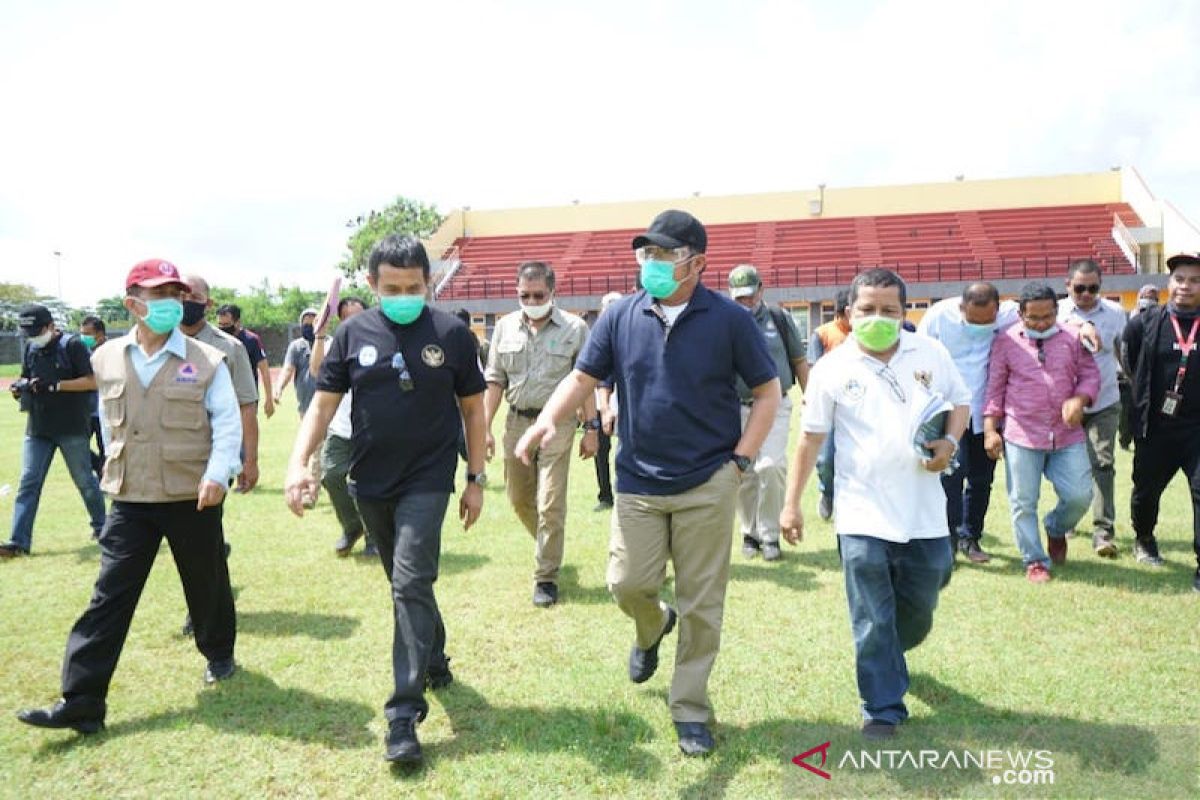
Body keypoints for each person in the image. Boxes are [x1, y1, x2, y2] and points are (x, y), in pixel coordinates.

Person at [515, 210, 781, 757]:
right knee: (628, 585)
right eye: (647, 254)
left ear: (697, 263)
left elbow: (768, 393)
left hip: (709, 480)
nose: (652, 264)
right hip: (637, 480)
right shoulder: (620, 317)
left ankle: (689, 707)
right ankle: (652, 626)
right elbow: (584, 376)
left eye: (664, 254)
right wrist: (548, 419)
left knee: (702, 603)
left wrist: (739, 462)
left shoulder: (731, 320)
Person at [15, 259, 242, 735]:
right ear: (132, 303)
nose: (171, 304)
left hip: (190, 494)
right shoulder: (106, 358)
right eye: (159, 295)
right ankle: (81, 701)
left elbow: (227, 424)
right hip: (131, 498)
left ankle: (218, 652)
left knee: (206, 584)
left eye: (176, 295)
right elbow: (105, 420)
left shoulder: (206, 360)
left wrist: (219, 474)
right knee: (108, 596)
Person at [284, 235, 486, 765]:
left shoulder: (452, 334)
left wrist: (476, 477)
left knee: (411, 580)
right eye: (391, 287)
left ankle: (403, 713)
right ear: (372, 285)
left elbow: (472, 409)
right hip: (369, 480)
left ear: (428, 283)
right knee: (405, 585)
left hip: (429, 477)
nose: (403, 295)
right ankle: (434, 656)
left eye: (414, 287)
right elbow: (322, 407)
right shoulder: (352, 334)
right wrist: (298, 463)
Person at [781, 267, 968, 740]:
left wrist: (949, 441)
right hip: (861, 511)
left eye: (888, 310)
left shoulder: (931, 352)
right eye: (867, 310)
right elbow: (809, 441)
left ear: (905, 312)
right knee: (870, 614)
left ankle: (892, 652)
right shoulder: (830, 369)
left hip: (924, 510)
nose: (877, 318)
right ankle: (881, 708)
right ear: (849, 313)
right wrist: (792, 504)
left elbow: (961, 403)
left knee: (923, 598)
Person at [483, 261, 596, 608]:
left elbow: (586, 382)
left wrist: (590, 428)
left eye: (538, 295)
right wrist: (484, 428)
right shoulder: (504, 329)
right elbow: (495, 381)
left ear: (553, 293)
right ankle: (549, 546)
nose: (531, 301)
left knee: (550, 501)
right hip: (516, 424)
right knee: (519, 499)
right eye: (524, 295)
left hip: (558, 424)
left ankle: (545, 577)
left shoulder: (575, 329)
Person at [983, 283, 1099, 583]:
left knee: (1079, 496)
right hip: (1022, 433)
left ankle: (1056, 527)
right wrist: (989, 430)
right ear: (1021, 313)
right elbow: (994, 389)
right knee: (1022, 501)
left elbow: (1090, 375)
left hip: (1067, 433)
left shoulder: (1073, 337)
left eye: (1047, 316)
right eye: (1033, 318)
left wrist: (1080, 399)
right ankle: (1034, 560)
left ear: (1056, 312)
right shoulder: (1005, 341)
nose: (1041, 323)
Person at [916, 283, 1019, 563]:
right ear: (962, 308)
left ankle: (970, 537)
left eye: (989, 321)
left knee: (982, 478)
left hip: (987, 410)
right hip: (950, 409)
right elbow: (919, 356)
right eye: (974, 321)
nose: (982, 326)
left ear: (998, 309)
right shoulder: (938, 316)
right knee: (951, 475)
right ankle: (947, 538)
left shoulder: (1011, 313)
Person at [1, 304, 107, 557]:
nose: (32, 336)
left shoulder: (73, 346)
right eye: (28, 332)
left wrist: (56, 386)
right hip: (38, 427)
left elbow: (92, 381)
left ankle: (103, 528)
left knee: (85, 481)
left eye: (36, 331)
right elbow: (25, 376)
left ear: (50, 326)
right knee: (28, 481)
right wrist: (21, 388)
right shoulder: (31, 347)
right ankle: (18, 542)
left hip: (71, 426)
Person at [1121, 253, 1200, 592]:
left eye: (1195, 280)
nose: (1186, 286)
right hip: (1155, 427)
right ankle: (1144, 538)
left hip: (1196, 428)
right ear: (1170, 282)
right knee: (1146, 490)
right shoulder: (1145, 322)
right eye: (1180, 279)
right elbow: (1128, 360)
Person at [727, 265, 808, 561]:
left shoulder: (779, 318)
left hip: (775, 404)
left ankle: (771, 535)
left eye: (750, 296)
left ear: (761, 289)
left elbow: (799, 361)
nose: (746, 303)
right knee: (744, 471)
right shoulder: (725, 322)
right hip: (737, 406)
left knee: (771, 466)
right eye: (739, 298)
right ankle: (750, 534)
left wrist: (810, 397)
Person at [1058, 259, 1128, 557]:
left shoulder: (1115, 313)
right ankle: (1067, 520)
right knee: (1067, 466)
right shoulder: (1056, 312)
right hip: (1065, 404)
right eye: (1080, 288)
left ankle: (1103, 532)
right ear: (1067, 285)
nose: (1086, 294)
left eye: (1093, 288)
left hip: (1105, 402)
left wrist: (1135, 389)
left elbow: (1122, 353)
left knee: (1102, 464)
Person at [180, 276, 261, 493]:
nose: (187, 301)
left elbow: (246, 406)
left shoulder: (231, 348)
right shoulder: (156, 343)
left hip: (212, 457)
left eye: (195, 297)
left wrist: (250, 460)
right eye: (182, 296)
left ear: (208, 304)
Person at [308, 296, 376, 557]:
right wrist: (319, 335)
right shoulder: (334, 345)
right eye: (346, 317)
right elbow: (316, 371)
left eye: (357, 315)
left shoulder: (378, 341)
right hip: (340, 428)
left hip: (370, 429)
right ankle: (352, 526)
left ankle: (373, 536)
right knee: (332, 475)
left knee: (368, 484)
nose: (353, 321)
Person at [809, 289, 852, 521]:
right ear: (841, 313)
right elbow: (815, 371)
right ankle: (827, 493)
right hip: (829, 406)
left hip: (856, 407)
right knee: (826, 459)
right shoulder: (822, 334)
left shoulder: (863, 335)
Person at [217, 303, 275, 418]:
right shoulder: (216, 339)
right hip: (221, 397)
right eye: (220, 325)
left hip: (246, 398)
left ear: (237, 322)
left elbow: (264, 369)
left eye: (227, 325)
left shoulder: (251, 340)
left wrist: (269, 399)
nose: (223, 328)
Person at [592, 291, 622, 512]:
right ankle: (605, 495)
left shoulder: (632, 332)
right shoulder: (597, 336)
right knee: (600, 450)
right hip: (600, 400)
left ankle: (624, 492)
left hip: (625, 402)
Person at [80, 315, 109, 480]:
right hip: (87, 410)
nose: (84, 337)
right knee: (78, 446)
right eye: (82, 333)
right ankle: (100, 469)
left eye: (87, 334)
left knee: (105, 448)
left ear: (99, 335)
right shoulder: (83, 352)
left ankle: (105, 481)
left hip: (105, 411)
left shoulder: (113, 352)